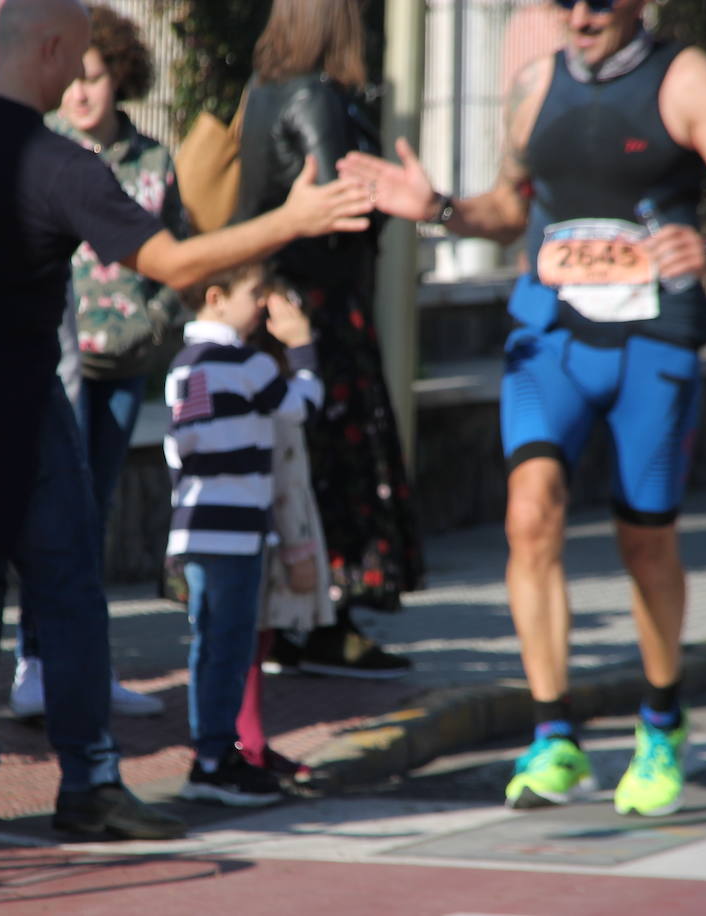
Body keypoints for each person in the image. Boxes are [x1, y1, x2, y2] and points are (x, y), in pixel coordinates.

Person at [0, 0, 371, 835]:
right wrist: (292, 220)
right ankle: (88, 786)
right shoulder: (60, 166)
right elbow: (177, 261)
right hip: (14, 403)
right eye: (76, 59)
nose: (78, 79)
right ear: (48, 51)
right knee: (65, 587)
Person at [339, 0, 706, 817]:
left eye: (600, 2)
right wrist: (439, 205)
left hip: (654, 341)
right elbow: (510, 209)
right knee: (529, 515)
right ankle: (554, 738)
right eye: (564, 1)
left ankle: (661, 723)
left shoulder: (683, 79)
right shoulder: (534, 83)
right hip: (549, 338)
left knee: (645, 541)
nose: (581, 15)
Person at [234, 0, 424, 680]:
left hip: (276, 298)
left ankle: (298, 624)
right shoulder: (316, 94)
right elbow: (333, 205)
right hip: (317, 307)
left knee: (298, 466)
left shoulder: (262, 90)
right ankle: (325, 625)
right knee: (331, 468)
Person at [9, 2, 185, 720]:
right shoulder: (40, 148)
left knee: (94, 516)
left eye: (97, 77)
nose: (82, 93)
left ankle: (87, 666)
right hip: (54, 367)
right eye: (74, 78)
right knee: (49, 516)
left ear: (122, 78)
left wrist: (152, 322)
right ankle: (34, 663)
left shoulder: (152, 161)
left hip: (123, 368)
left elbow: (178, 257)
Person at [167, 265, 323, 805]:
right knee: (229, 646)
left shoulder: (183, 365)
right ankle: (214, 761)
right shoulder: (249, 363)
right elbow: (302, 406)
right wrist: (301, 345)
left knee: (211, 644)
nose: (262, 305)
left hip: (195, 526)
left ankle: (213, 754)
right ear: (216, 297)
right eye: (254, 294)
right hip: (234, 530)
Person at [235, 285, 334, 781]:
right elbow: (302, 409)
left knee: (257, 637)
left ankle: (249, 742)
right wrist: (302, 347)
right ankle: (243, 746)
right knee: (245, 640)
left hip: (258, 528)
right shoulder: (256, 375)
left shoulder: (247, 371)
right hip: (262, 531)